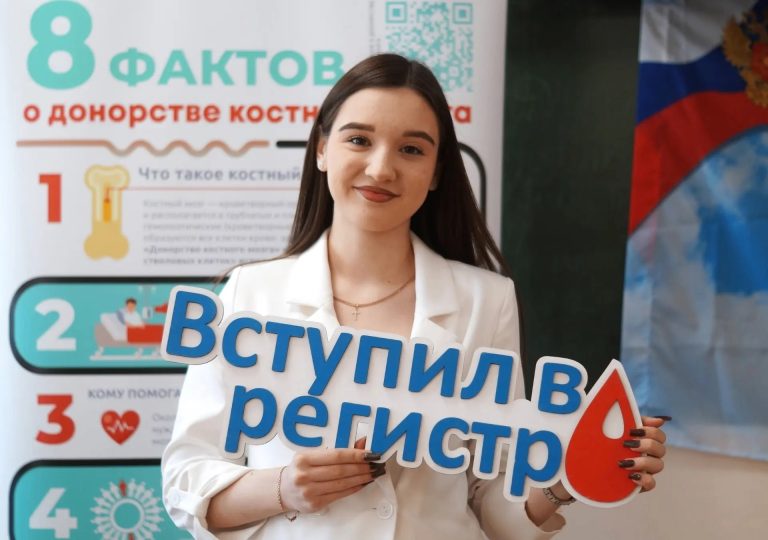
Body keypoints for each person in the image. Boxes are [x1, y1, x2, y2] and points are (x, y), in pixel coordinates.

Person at [161, 53, 667, 539]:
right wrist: (284, 488)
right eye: (359, 140)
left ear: (437, 171)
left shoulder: (486, 300)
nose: (381, 169)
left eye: (411, 149)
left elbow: (491, 502)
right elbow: (186, 479)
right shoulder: (250, 293)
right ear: (321, 149)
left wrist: (569, 477)